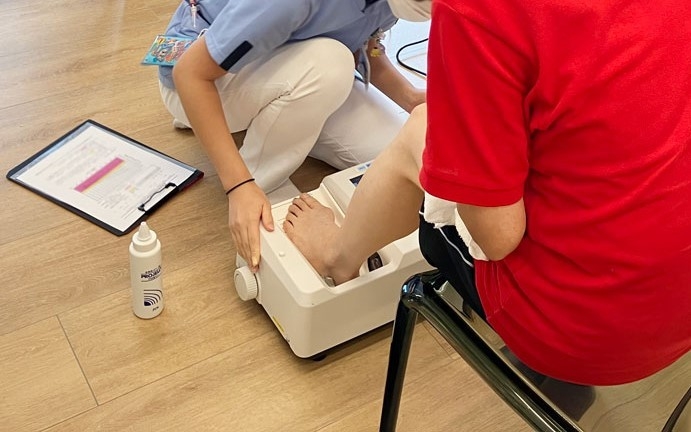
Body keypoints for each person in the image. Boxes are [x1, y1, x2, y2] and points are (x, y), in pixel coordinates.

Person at [283, 0, 691, 386]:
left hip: (577, 335)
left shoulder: (476, 12)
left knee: (422, 128)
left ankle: (338, 258)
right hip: (679, 315)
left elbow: (497, 240)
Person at [158, 0, 427, 272]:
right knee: (332, 64)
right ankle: (263, 184)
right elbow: (190, 73)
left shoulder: (394, 4)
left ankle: (293, 107)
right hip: (197, 76)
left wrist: (409, 97)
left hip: (302, 59)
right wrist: (239, 186)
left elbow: (365, 39)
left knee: (395, 153)